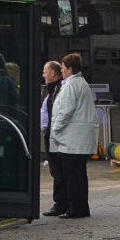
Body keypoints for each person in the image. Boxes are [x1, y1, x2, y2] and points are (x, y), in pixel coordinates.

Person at [48, 52, 97, 218]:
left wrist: (55, 130)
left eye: (63, 68)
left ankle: (75, 209)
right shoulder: (81, 83)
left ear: (69, 69)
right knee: (79, 175)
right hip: (79, 139)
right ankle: (80, 207)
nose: (61, 71)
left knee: (72, 177)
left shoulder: (71, 85)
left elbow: (65, 111)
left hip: (72, 140)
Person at [39, 60, 65, 215]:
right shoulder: (49, 90)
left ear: (52, 73)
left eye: (45, 71)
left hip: (54, 135)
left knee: (57, 170)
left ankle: (60, 203)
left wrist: (51, 131)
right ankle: (61, 202)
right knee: (55, 170)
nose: (43, 74)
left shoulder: (58, 89)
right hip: (49, 133)